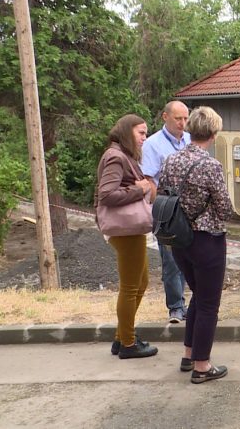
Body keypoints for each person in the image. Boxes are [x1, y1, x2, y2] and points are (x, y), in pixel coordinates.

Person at [159, 106, 233, 384]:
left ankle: (189, 354)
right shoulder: (210, 165)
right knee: (209, 304)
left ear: (190, 130)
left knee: (198, 296)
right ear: (213, 133)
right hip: (207, 240)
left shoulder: (170, 160)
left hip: (178, 239)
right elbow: (224, 208)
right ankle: (202, 365)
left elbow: (163, 193)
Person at [95, 114, 158, 359]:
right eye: (140, 133)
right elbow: (107, 195)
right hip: (126, 229)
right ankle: (128, 344)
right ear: (126, 132)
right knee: (131, 287)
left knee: (140, 283)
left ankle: (121, 337)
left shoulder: (122, 155)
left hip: (131, 229)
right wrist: (139, 189)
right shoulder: (116, 156)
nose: (144, 138)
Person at [141, 101, 190, 323]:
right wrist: (160, 207)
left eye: (185, 119)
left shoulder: (189, 140)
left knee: (189, 259)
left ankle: (187, 303)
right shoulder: (152, 145)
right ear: (165, 117)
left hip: (189, 209)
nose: (182, 123)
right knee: (171, 261)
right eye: (178, 118)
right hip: (167, 211)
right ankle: (176, 307)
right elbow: (149, 179)